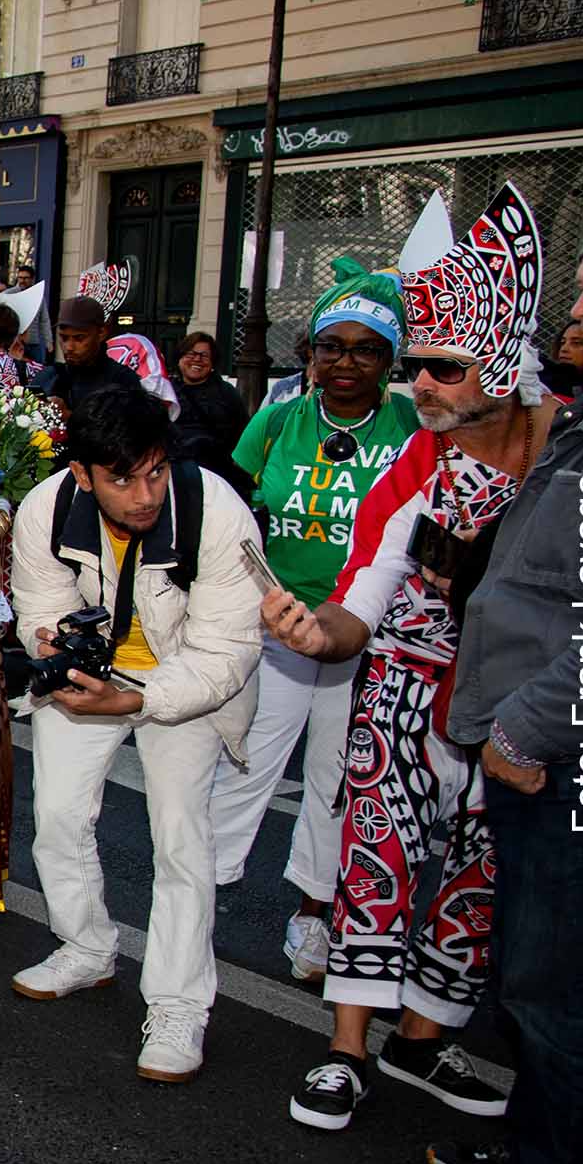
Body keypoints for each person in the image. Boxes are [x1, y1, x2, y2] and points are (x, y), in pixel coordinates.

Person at [262, 195, 555, 1134]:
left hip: (527, 707)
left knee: (482, 871)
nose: (419, 384)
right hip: (404, 684)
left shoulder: (571, 457)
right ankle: (348, 1048)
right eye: (415, 365)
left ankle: (423, 1039)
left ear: (503, 365)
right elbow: (362, 594)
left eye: (442, 366)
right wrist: (318, 635)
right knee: (376, 855)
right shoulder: (418, 463)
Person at [414, 199, 583, 1164]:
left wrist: (527, 731)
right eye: (579, 284)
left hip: (580, 757)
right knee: (552, 978)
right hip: (556, 748)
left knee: (564, 988)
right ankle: (552, 1163)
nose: (577, 307)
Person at [8, 388, 263, 1080]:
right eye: (121, 479)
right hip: (92, 677)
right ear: (83, 473)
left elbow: (226, 652)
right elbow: (40, 605)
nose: (144, 495)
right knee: (58, 816)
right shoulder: (47, 508)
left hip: (186, 679)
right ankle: (87, 947)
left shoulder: (215, 511)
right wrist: (54, 644)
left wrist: (138, 698)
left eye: (155, 472)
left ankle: (179, 1005)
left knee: (181, 840)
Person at [211, 264, 418, 935]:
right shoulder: (275, 423)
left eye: (366, 350)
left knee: (337, 777)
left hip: (369, 634)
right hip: (279, 627)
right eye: (332, 346)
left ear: (390, 359)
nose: (346, 363)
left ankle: (315, 914)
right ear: (312, 352)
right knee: (245, 760)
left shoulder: (415, 426)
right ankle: (198, 892)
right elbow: (231, 513)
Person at [29, 295, 140, 417]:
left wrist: (70, 417)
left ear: (101, 333)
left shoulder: (122, 381)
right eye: (64, 338)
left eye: (79, 338)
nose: (69, 347)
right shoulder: (47, 377)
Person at [169, 332, 248, 491]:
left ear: (212, 362)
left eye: (204, 356)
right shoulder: (166, 392)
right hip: (174, 473)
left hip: (217, 477)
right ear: (180, 358)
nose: (197, 359)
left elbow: (243, 435)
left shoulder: (226, 394)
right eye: (191, 354)